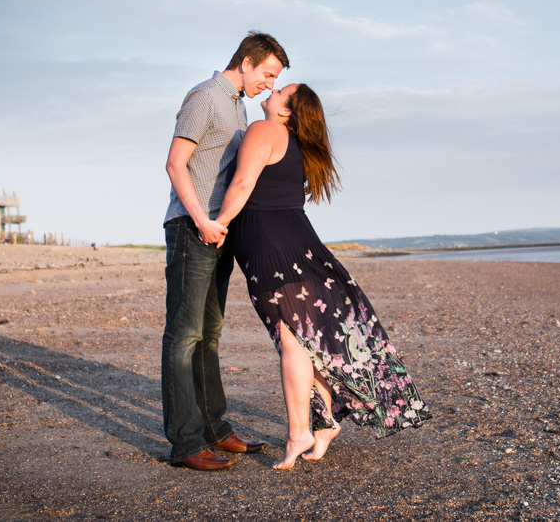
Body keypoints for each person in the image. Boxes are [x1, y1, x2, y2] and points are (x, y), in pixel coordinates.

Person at [214, 83, 431, 469]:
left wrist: (217, 224)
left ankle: (301, 431)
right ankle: (323, 422)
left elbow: (243, 184)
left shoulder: (265, 130)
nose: (274, 88)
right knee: (302, 341)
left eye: (282, 90)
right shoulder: (294, 143)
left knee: (292, 340)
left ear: (287, 111)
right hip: (295, 245)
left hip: (272, 250)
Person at [161, 31, 290, 470]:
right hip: (191, 228)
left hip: (220, 232)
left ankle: (215, 429)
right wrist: (201, 219)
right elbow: (175, 163)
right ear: (248, 61)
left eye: (275, 80)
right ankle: (185, 443)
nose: (269, 86)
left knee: (209, 335)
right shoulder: (204, 97)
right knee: (183, 336)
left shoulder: (237, 106)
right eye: (268, 74)